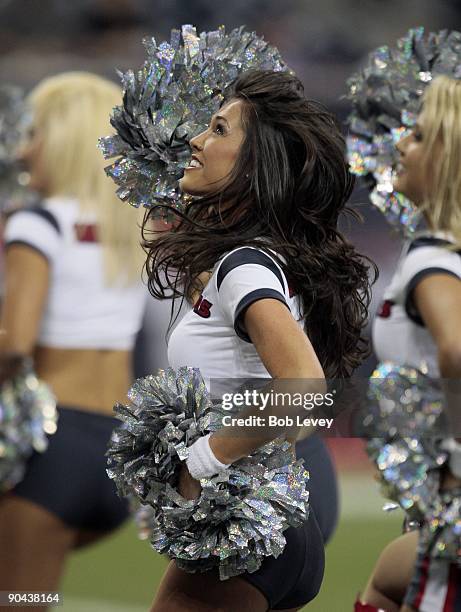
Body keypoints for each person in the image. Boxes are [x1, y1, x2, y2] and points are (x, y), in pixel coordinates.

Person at [142, 69, 374, 612]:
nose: (198, 140)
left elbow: (305, 389)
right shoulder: (254, 258)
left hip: (250, 528)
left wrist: (204, 457)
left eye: (219, 130)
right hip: (269, 526)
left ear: (254, 166)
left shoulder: (245, 266)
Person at [0, 72, 146, 604]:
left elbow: (14, 344)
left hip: (51, 444)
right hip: (121, 450)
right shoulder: (133, 228)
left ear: (63, 140)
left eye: (35, 133)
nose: (22, 150)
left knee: (19, 601)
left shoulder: (36, 225)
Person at [356, 75, 461, 611]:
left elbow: (458, 351)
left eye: (418, 136)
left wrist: (452, 470)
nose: (400, 144)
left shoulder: (433, 259)